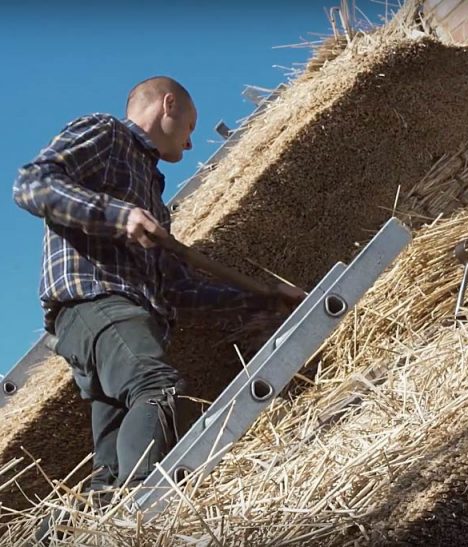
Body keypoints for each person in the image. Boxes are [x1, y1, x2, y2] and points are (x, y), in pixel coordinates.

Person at [12, 76, 303, 493]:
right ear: (168, 105)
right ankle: (149, 512)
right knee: (158, 388)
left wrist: (266, 300)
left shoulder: (154, 202)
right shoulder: (107, 134)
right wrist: (118, 215)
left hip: (121, 321)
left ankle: (91, 526)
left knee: (109, 475)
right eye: (189, 127)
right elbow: (32, 184)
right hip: (96, 300)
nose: (189, 144)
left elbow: (179, 291)